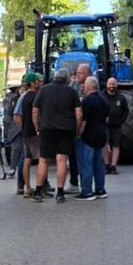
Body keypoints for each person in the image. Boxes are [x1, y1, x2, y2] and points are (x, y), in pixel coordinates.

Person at [33, 68, 81, 204]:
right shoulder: (71, 92)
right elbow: (79, 114)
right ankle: (60, 193)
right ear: (67, 79)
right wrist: (76, 130)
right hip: (66, 130)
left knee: (43, 160)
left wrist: (37, 127)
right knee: (62, 160)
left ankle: (38, 191)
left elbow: (35, 111)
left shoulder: (44, 90)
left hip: (47, 129)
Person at [75, 76, 110, 201]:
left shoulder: (86, 101)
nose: (83, 86)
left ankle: (87, 191)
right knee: (98, 165)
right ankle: (100, 190)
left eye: (84, 84)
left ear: (89, 86)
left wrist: (78, 133)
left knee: (86, 165)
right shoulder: (104, 100)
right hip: (101, 135)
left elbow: (83, 120)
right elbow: (106, 119)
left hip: (88, 137)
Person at [14, 73, 43, 200]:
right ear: (32, 83)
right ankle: (39, 187)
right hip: (35, 133)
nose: (40, 82)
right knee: (42, 160)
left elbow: (18, 116)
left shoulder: (24, 97)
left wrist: (24, 128)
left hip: (26, 132)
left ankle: (27, 188)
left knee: (27, 159)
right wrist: (37, 128)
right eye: (37, 81)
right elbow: (37, 114)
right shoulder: (36, 97)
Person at [101, 77, 129, 175]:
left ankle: (113, 166)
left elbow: (126, 111)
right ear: (107, 84)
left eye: (113, 84)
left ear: (116, 85)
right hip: (104, 125)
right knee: (104, 145)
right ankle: (106, 164)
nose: (111, 86)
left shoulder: (121, 98)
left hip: (117, 126)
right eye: (110, 84)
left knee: (116, 146)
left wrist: (121, 120)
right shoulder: (101, 96)